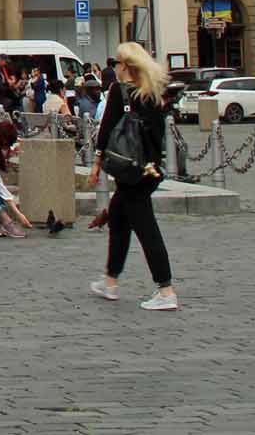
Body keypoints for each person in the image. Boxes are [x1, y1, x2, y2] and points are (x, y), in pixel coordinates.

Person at [87, 43, 178, 309]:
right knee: (118, 218)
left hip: (129, 171)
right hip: (149, 169)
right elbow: (157, 135)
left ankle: (165, 289)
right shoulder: (153, 93)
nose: (115, 67)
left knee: (146, 229)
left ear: (126, 66)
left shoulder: (119, 91)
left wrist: (96, 163)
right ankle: (110, 280)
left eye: (117, 63)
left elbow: (105, 130)